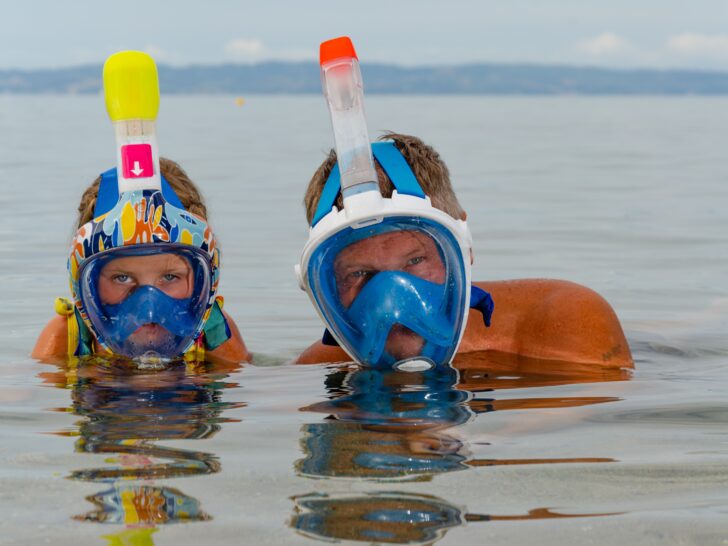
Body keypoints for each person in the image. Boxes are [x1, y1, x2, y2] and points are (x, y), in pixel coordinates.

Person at [296, 132, 632, 370]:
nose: (391, 299)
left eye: (415, 260)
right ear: (324, 287)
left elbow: (601, 407)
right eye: (360, 274)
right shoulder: (324, 363)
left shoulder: (565, 318)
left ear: (463, 249)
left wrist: (468, 440)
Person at [32, 158, 249, 364]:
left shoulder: (213, 333)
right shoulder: (68, 337)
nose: (149, 306)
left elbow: (249, 385)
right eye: (122, 277)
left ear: (202, 279)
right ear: (89, 283)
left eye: (170, 276)